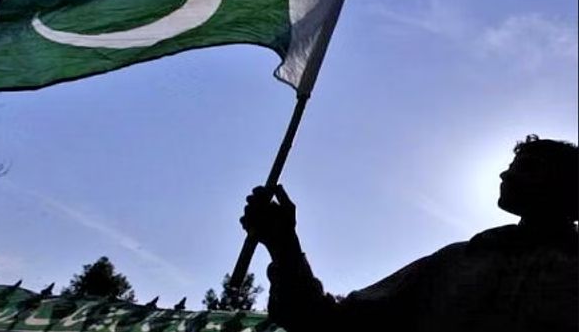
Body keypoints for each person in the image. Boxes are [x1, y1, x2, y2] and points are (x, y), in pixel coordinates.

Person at [240, 134, 578, 332]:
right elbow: (327, 324)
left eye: (530, 167)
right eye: (512, 166)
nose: (505, 175)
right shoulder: (454, 262)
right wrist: (284, 246)